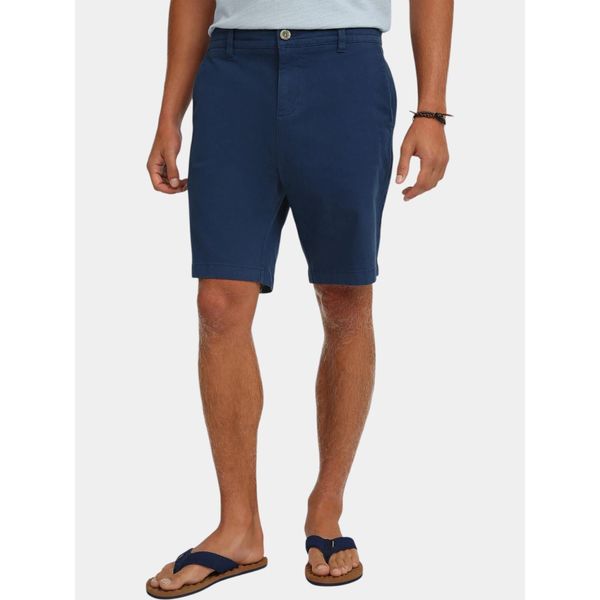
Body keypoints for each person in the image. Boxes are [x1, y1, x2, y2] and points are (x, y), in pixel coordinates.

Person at [146, 0, 452, 595]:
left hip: (346, 66)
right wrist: (168, 115)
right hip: (232, 72)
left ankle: (326, 509)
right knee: (218, 303)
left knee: (345, 297)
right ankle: (238, 528)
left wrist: (432, 109)